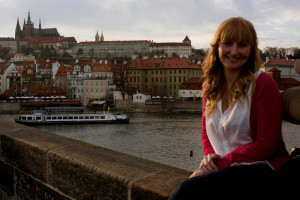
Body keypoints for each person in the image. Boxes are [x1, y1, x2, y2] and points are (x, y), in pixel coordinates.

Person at [169, 17, 290, 199]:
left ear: (251, 50)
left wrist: (220, 165)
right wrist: (211, 160)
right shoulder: (209, 86)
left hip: (263, 172)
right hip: (225, 172)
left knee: (186, 191)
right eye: (227, 43)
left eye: (241, 45)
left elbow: (267, 144)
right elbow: (205, 133)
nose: (234, 51)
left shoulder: (263, 83)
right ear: (217, 47)